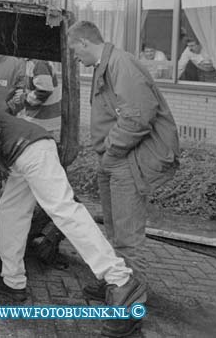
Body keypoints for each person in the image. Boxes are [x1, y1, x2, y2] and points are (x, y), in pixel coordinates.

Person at [0, 109, 144, 334]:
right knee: (9, 212)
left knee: (64, 211)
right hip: (23, 153)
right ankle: (13, 282)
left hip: (30, 149)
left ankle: (120, 279)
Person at [68, 21, 179, 337]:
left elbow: (137, 117)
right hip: (114, 160)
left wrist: (113, 151)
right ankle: (115, 284)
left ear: (86, 42)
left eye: (76, 52)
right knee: (115, 231)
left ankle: (129, 315)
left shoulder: (122, 65)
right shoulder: (107, 65)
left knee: (129, 238)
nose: (76, 60)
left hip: (126, 162)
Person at [18, 59, 62, 137]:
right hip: (39, 117)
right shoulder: (31, 62)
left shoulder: (39, 63)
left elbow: (44, 90)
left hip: (41, 118)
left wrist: (24, 98)